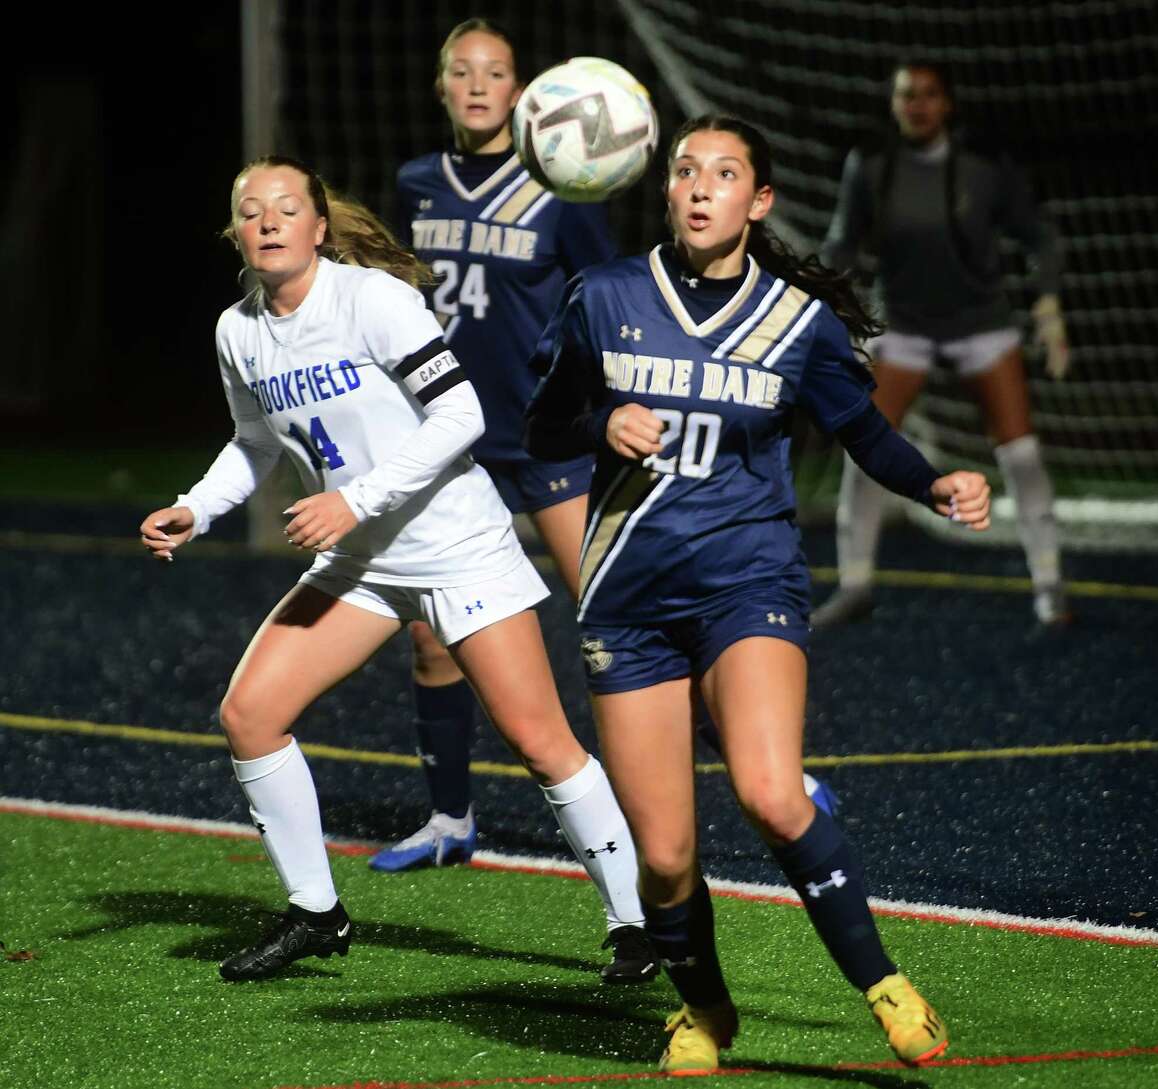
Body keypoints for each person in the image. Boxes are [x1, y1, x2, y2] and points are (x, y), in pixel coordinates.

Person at [524, 115, 992, 1072]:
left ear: (759, 200)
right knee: (661, 858)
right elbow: (543, 429)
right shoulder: (604, 295)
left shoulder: (796, 321)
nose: (700, 187)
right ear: (665, 191)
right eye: (686, 171)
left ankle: (883, 984)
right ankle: (706, 1009)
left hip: (749, 581)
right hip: (628, 597)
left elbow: (863, 431)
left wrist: (934, 481)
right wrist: (603, 418)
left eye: (725, 173)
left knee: (773, 794)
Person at [138, 156, 648, 984]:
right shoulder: (239, 329)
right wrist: (196, 507)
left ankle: (636, 919)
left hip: (455, 548)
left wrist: (356, 500)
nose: (267, 221)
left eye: (284, 207)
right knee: (250, 714)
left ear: (316, 226)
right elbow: (255, 442)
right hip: (362, 563)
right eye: (250, 210)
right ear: (235, 232)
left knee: (539, 740)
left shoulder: (372, 300)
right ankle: (316, 912)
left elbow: (464, 411)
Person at [357, 18, 654, 983]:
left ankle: (671, 799)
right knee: (434, 636)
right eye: (461, 72)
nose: (478, 86)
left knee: (610, 614)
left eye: (495, 73)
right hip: (447, 443)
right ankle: (450, 818)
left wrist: (612, 398)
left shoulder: (564, 186)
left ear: (525, 92)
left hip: (546, 438)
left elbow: (606, 297)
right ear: (440, 86)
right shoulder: (413, 184)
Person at [817, 60, 1070, 628]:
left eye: (929, 95)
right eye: (907, 95)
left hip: (981, 323)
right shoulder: (871, 167)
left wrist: (1048, 305)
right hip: (904, 323)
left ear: (947, 104)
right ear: (893, 103)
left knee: (1020, 452)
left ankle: (1049, 583)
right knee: (865, 443)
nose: (917, 105)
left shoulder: (985, 168)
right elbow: (841, 243)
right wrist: (819, 298)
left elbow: (1039, 236)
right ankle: (855, 584)